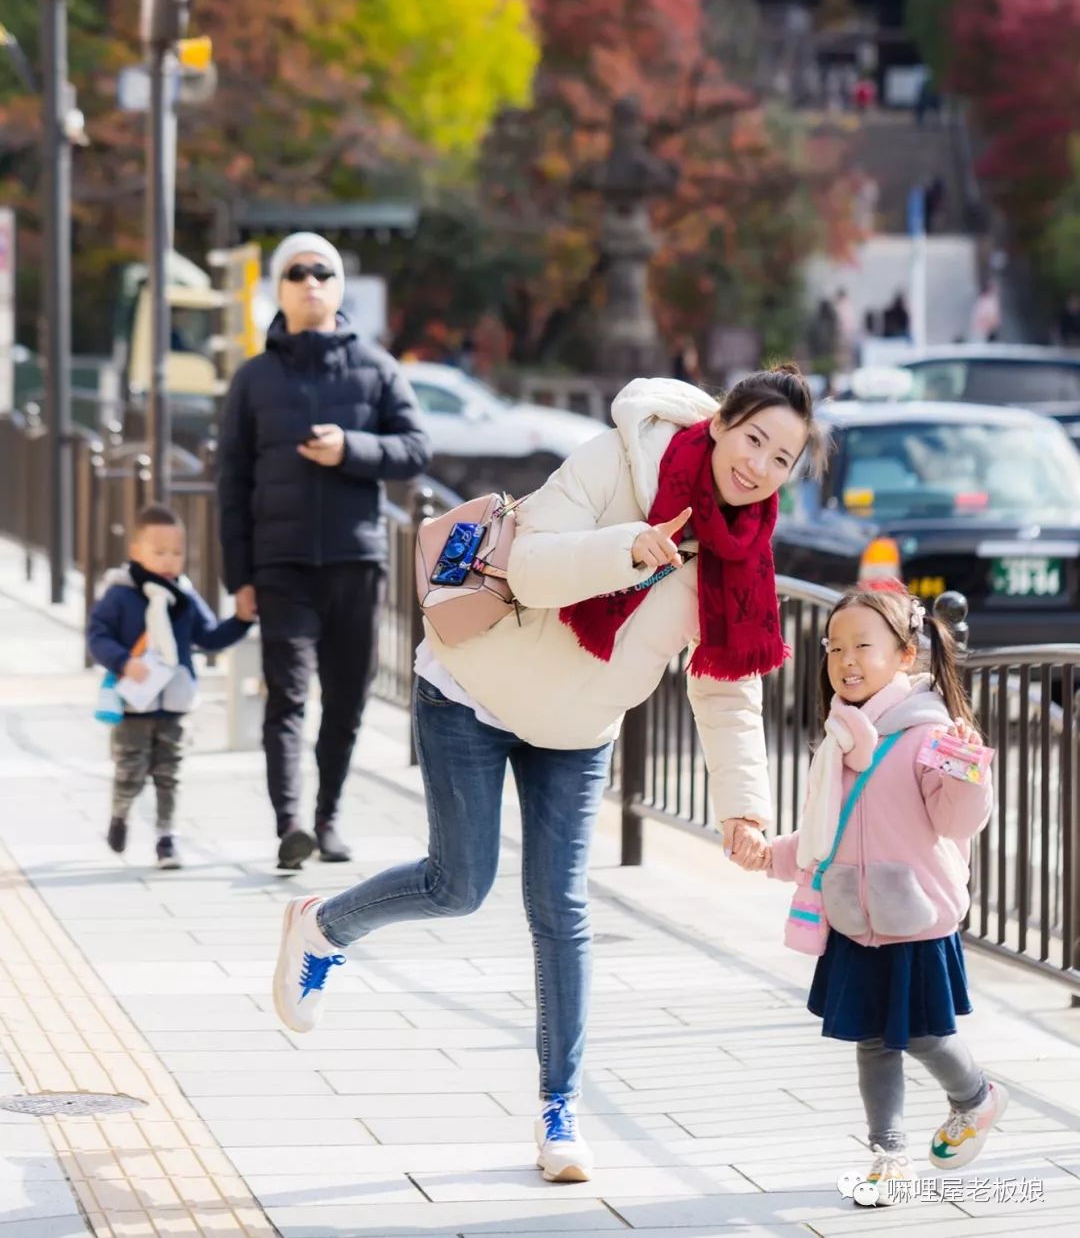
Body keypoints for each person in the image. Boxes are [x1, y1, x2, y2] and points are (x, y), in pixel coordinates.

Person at [270, 367, 826, 1183]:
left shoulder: (741, 558)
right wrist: (627, 548)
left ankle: (558, 1108)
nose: (760, 466)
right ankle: (322, 925)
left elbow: (727, 686)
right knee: (459, 883)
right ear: (719, 424)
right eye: (754, 440)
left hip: (575, 729)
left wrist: (743, 807)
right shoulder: (618, 459)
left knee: (560, 909)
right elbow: (527, 565)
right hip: (472, 687)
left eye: (783, 458)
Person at [763, 587, 1002, 1204]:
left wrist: (970, 771)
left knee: (923, 1036)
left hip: (915, 919)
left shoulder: (930, 732)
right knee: (872, 1041)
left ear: (903, 655)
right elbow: (827, 831)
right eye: (834, 646)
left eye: (862, 645)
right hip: (853, 916)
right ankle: (889, 1156)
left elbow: (956, 823)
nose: (845, 659)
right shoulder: (842, 736)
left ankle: (975, 1097)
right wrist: (771, 855)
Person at [217, 233, 432, 871]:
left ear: (338, 288)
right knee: (288, 694)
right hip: (280, 563)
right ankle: (289, 825)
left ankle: (327, 818)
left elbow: (417, 448)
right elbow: (232, 482)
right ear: (277, 291)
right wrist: (239, 575)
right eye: (296, 272)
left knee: (346, 697)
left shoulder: (376, 367)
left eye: (323, 272)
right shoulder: (253, 379)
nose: (311, 281)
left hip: (356, 560)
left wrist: (353, 451)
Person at [88, 503, 252, 869]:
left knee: (169, 773)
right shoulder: (120, 594)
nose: (168, 560)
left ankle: (166, 838)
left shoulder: (186, 599)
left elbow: (208, 638)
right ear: (136, 552)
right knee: (129, 769)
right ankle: (120, 814)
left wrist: (241, 621)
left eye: (176, 553)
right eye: (158, 552)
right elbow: (97, 635)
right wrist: (122, 661)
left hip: (176, 703)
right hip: (134, 705)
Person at [968, 278, 1001, 344]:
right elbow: (985, 316)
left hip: (989, 331)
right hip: (983, 331)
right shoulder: (986, 301)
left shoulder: (990, 300)